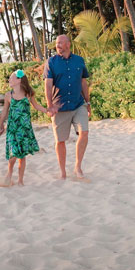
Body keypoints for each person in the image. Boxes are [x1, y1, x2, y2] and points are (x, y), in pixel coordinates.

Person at [0, 69, 54, 187]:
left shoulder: (28, 94)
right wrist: (0, 126)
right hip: (13, 128)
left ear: (19, 80)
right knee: (13, 153)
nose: (9, 80)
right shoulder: (8, 95)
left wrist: (47, 111)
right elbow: (5, 112)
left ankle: (20, 180)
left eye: (11, 78)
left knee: (22, 155)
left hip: (25, 128)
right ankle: (9, 174)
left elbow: (36, 106)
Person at [44, 34, 91, 180]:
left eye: (60, 43)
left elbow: (83, 83)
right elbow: (48, 84)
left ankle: (78, 166)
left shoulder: (79, 60)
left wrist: (88, 103)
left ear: (68, 44)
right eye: (57, 43)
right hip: (59, 107)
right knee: (60, 140)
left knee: (84, 133)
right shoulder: (51, 62)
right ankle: (63, 171)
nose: (57, 45)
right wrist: (49, 105)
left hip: (78, 104)